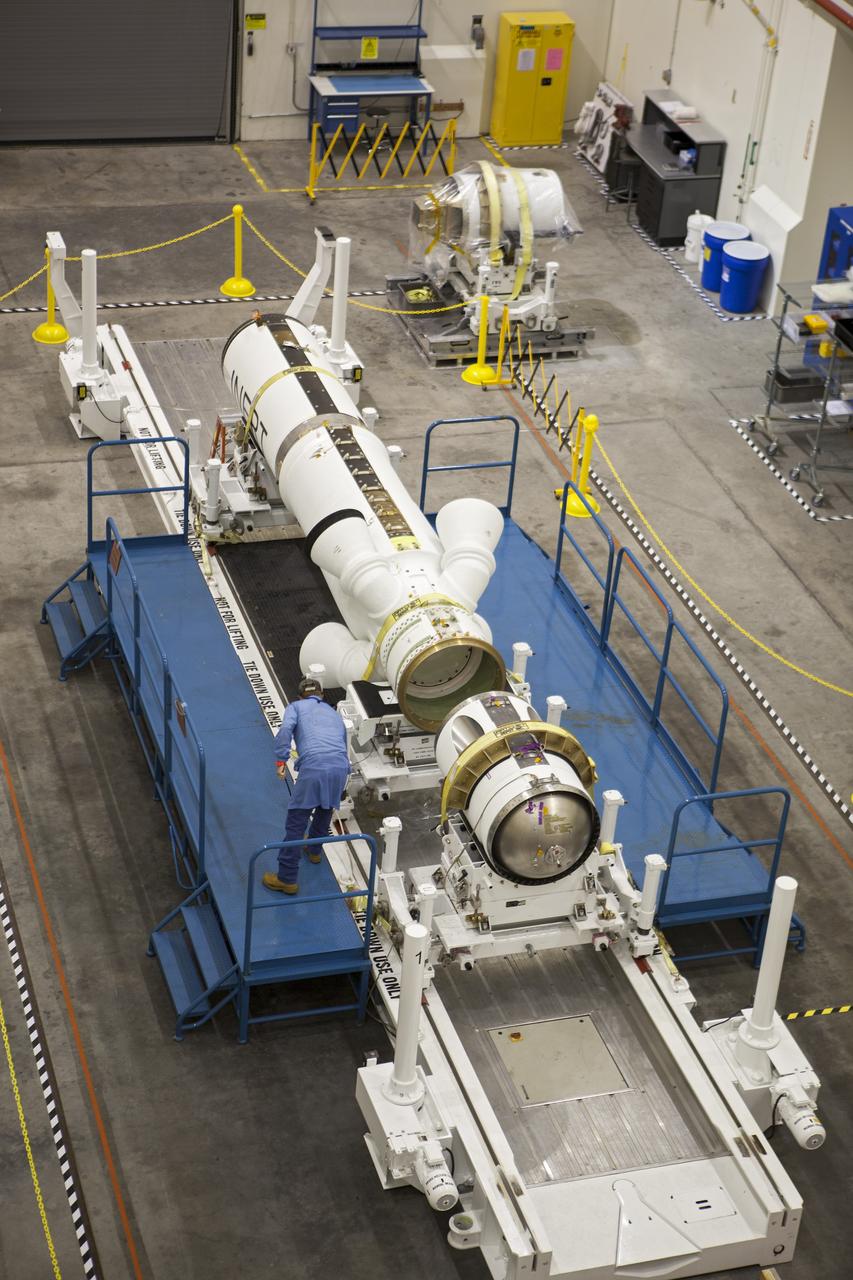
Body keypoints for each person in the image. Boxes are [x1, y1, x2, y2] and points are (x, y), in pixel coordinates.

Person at [262, 676, 350, 895]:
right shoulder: (332, 712)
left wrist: (281, 760)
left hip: (314, 766)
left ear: (300, 696)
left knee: (296, 821)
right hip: (340, 766)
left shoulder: (296, 707)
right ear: (321, 695)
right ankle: (314, 850)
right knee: (325, 807)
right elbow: (343, 740)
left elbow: (285, 730)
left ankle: (287, 878)